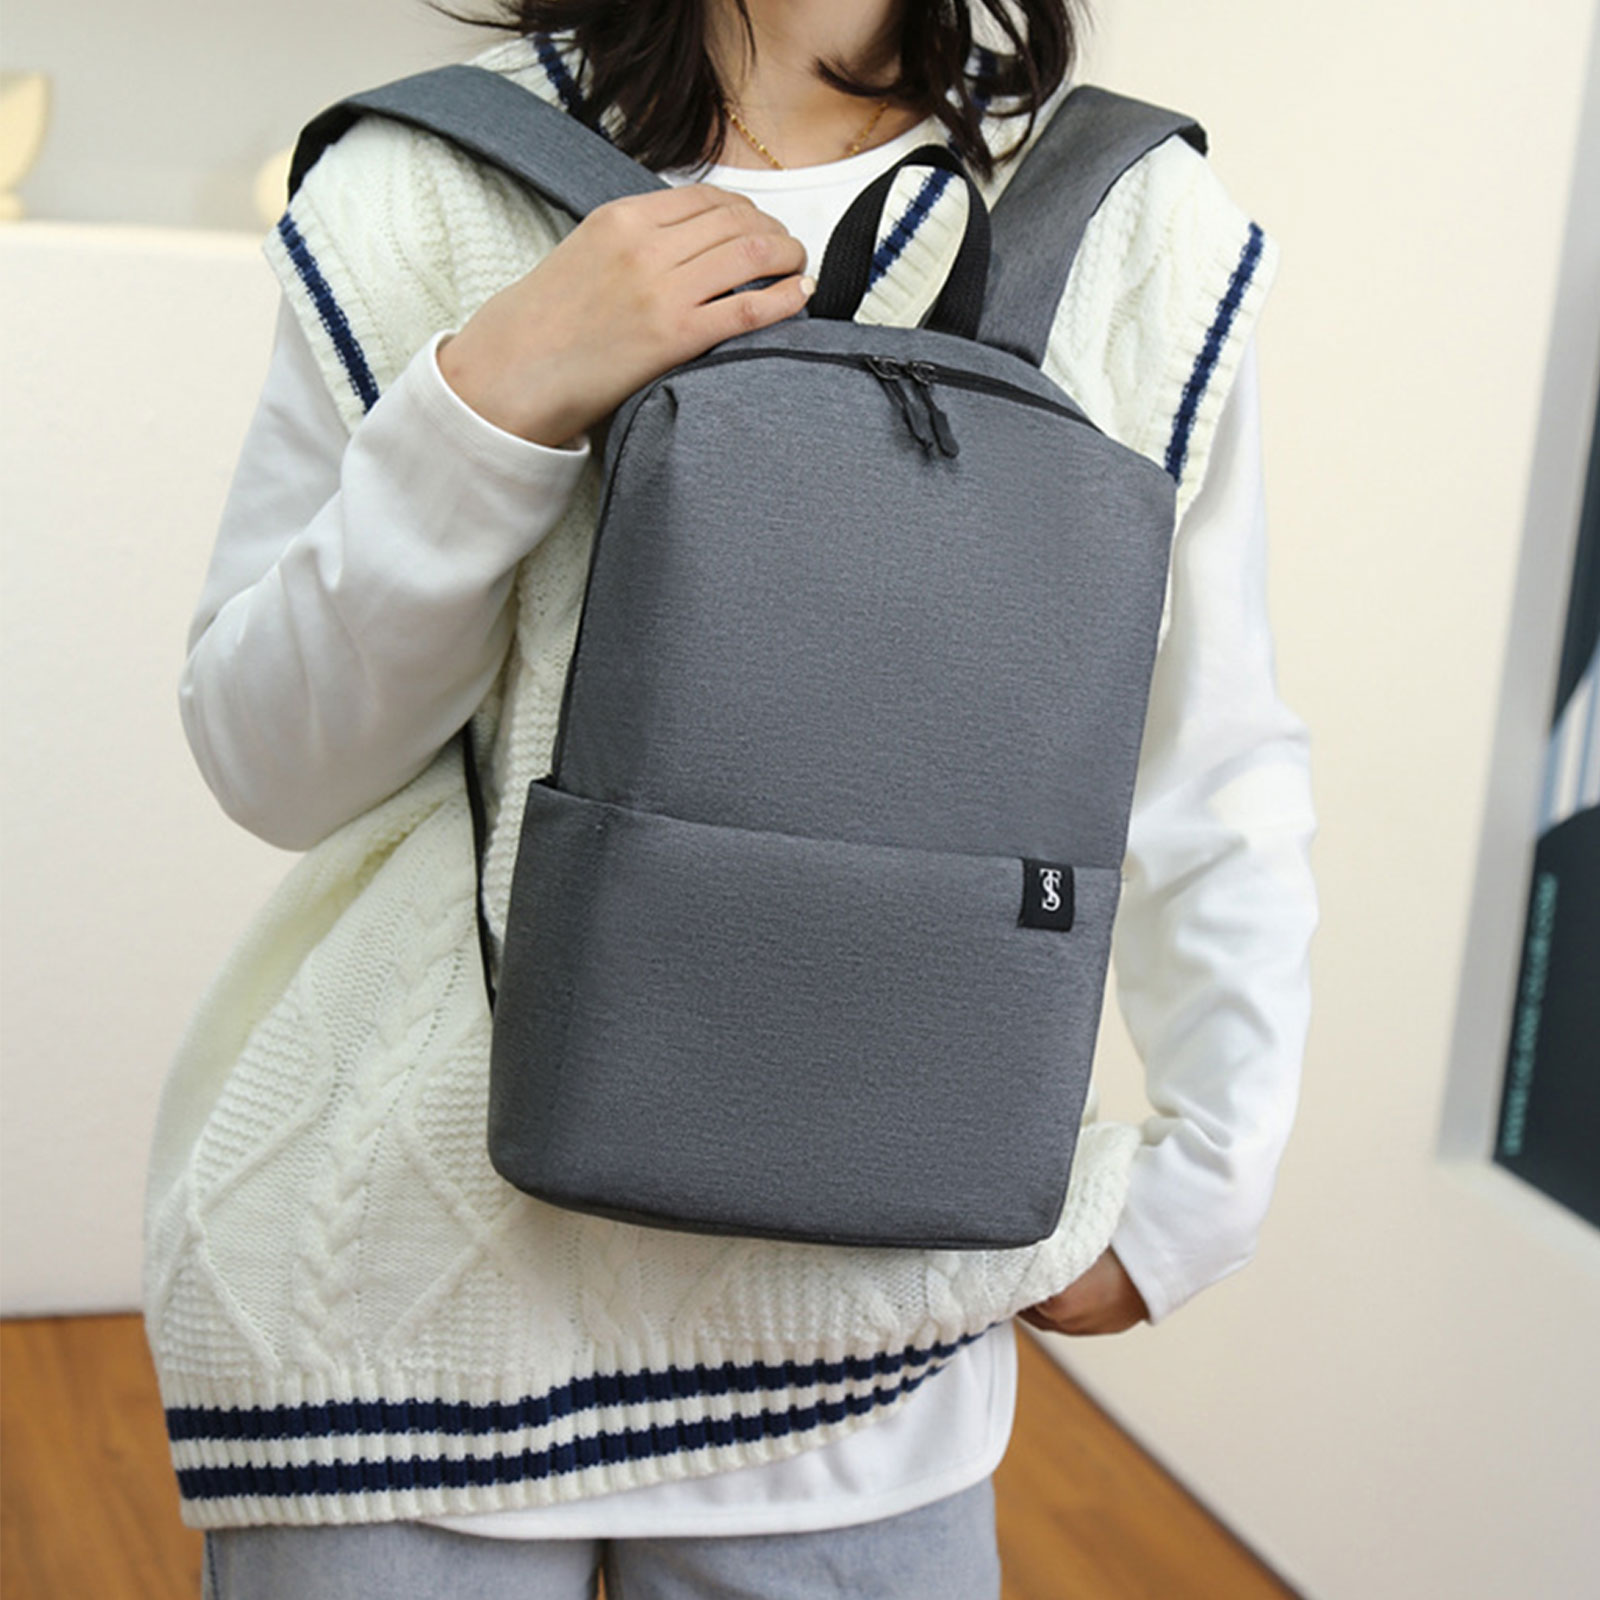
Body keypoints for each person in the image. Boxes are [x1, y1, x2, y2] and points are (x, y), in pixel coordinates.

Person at [146, 2, 1319, 1596]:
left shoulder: (1137, 223)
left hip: (860, 1361)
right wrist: (491, 396)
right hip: (390, 1339)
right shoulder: (419, 179)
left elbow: (1208, 756)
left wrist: (1202, 1189)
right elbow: (269, 766)